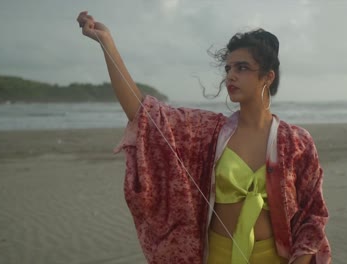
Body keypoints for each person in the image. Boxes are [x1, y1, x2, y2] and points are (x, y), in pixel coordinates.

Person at [77, 11, 331, 264]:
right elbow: (145, 115)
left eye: (242, 68)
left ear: (268, 77)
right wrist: (107, 43)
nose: (230, 75)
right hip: (217, 256)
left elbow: (312, 214)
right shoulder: (208, 132)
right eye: (228, 68)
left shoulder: (297, 141)